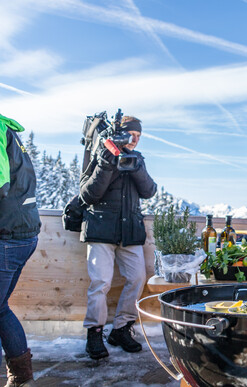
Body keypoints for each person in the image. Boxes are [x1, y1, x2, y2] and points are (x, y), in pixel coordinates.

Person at [79, 115, 157, 360]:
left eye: (138, 136)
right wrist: (107, 161)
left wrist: (136, 167)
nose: (134, 140)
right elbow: (88, 194)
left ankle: (122, 328)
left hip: (129, 231)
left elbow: (149, 190)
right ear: (120, 134)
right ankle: (94, 332)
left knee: (137, 277)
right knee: (100, 282)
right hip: (101, 229)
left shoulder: (138, 159)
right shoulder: (100, 155)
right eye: (130, 135)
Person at [0, 114, 41, 386]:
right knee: (0, 308)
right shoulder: (7, 131)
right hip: (23, 234)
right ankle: (21, 377)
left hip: (7, 236)